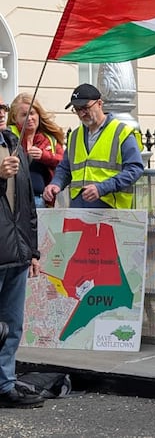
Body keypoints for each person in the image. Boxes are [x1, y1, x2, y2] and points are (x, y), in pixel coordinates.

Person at [42, 83, 144, 209]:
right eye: (77, 109)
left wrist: (102, 188)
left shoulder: (121, 132)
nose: (82, 114)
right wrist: (56, 183)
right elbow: (65, 168)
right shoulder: (75, 136)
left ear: (100, 104)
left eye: (85, 107)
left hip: (111, 209)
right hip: (79, 208)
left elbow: (135, 169)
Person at [0, 127, 44, 408]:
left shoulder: (14, 144)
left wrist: (33, 252)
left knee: (12, 325)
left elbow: (28, 204)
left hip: (17, 252)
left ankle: (4, 385)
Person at [8, 93, 66, 208]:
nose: (29, 118)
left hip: (41, 200)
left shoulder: (49, 139)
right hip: (14, 200)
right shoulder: (8, 135)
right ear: (15, 118)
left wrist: (44, 156)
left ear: (38, 114)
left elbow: (64, 163)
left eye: (32, 113)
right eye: (24, 115)